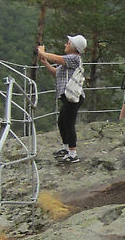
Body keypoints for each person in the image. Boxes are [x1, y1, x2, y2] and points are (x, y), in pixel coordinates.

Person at [37, 34, 87, 164]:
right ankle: (66, 148)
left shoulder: (74, 58)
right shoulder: (69, 62)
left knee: (69, 124)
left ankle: (73, 153)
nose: (66, 44)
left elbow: (57, 59)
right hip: (68, 97)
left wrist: (43, 52)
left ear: (75, 48)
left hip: (73, 98)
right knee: (62, 122)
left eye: (68, 43)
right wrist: (45, 62)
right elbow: (56, 72)